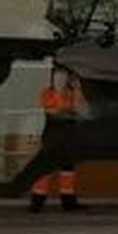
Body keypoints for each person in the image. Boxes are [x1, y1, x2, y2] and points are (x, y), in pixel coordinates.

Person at [31, 65, 84, 212]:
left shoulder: (72, 93)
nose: (60, 79)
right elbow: (54, 110)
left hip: (69, 134)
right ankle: (37, 201)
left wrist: (77, 89)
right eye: (57, 76)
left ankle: (68, 201)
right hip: (52, 133)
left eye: (64, 77)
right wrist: (64, 99)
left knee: (68, 169)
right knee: (46, 167)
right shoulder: (47, 93)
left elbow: (80, 110)